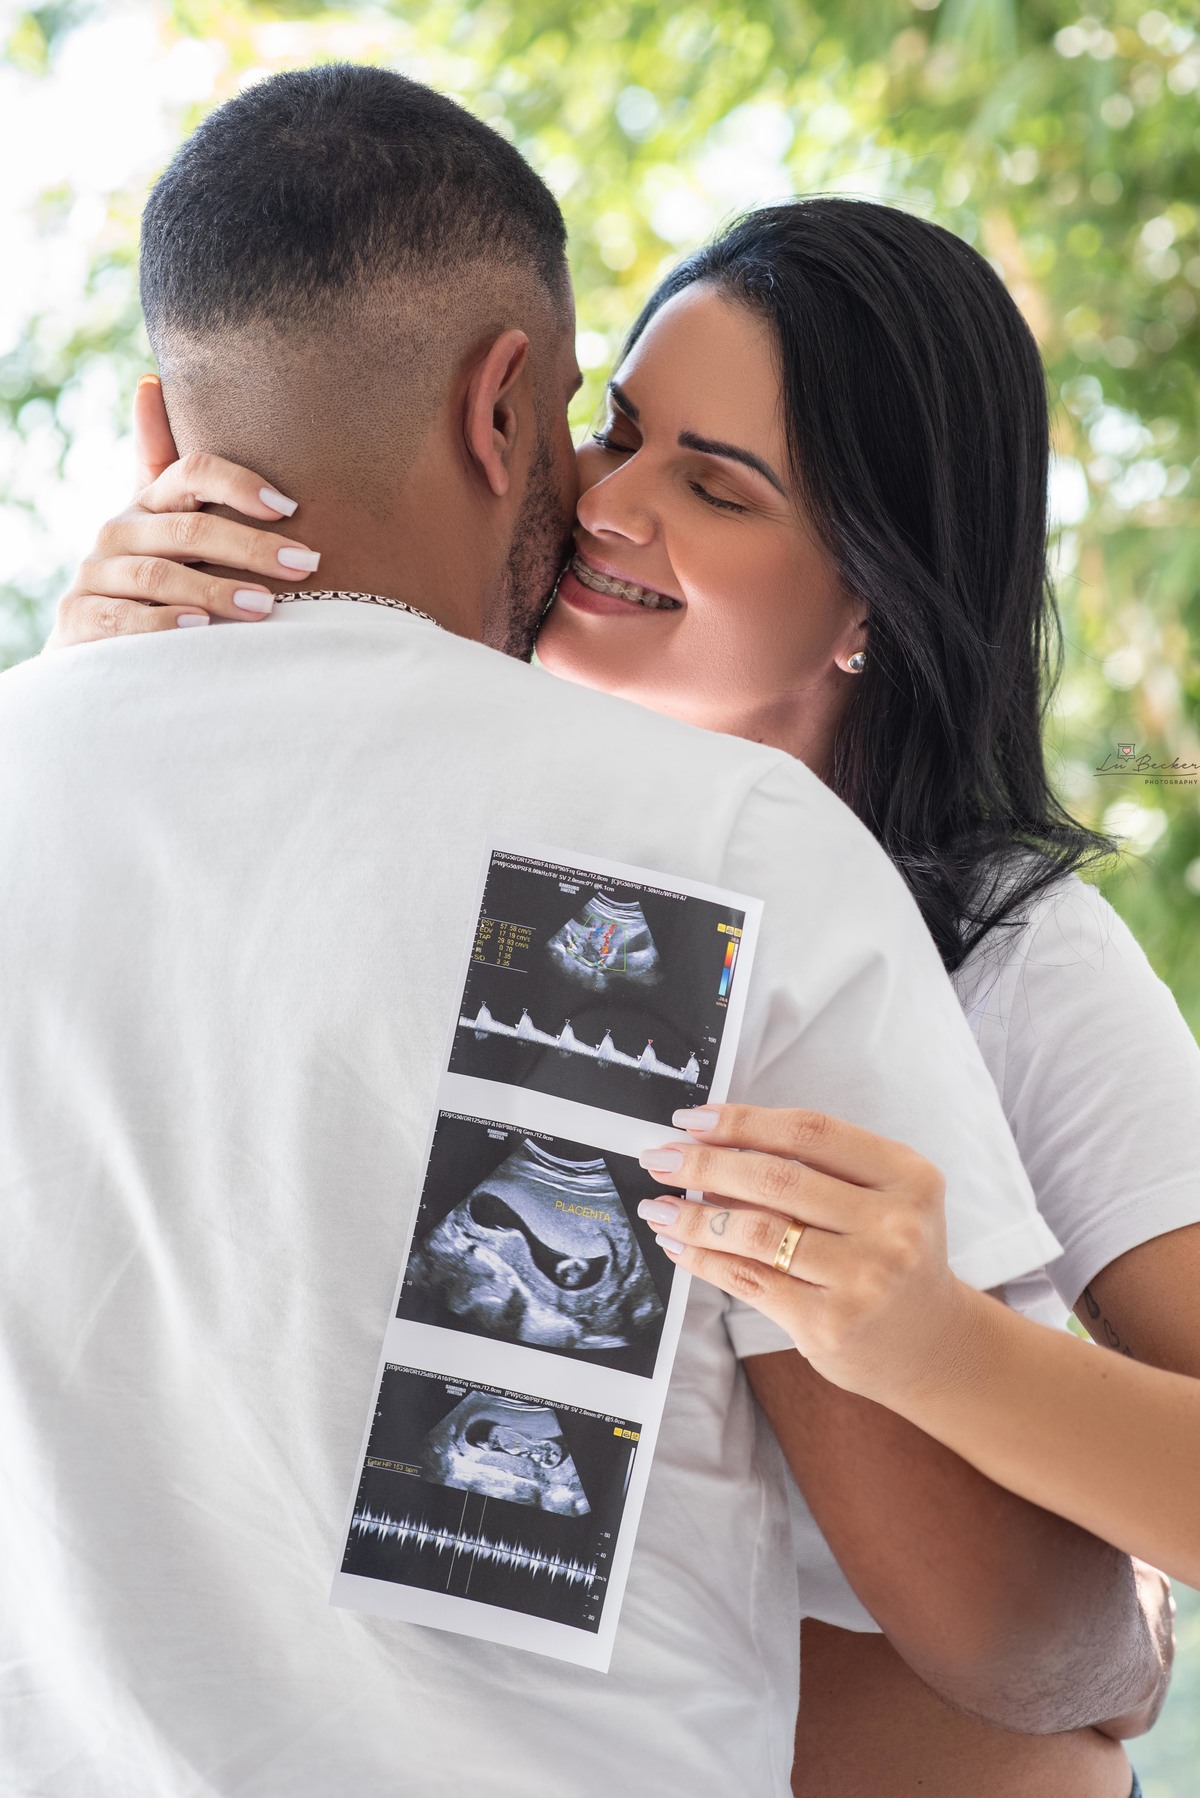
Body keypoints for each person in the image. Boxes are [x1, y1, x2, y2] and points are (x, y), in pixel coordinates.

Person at [1, 64, 1154, 1798]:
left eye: (720, 484)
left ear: (164, 428)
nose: (604, 506)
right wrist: (1114, 1651)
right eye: (601, 431)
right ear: (504, 413)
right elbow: (1016, 1640)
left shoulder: (975, 940)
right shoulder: (719, 860)